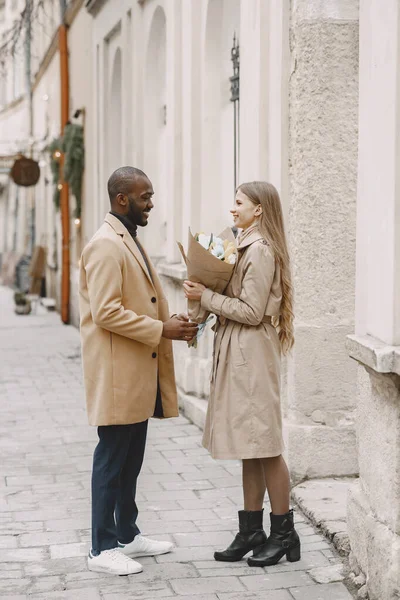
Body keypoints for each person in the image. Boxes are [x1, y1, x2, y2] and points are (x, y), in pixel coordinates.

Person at [79, 166, 198, 576]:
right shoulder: (105, 245)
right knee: (111, 460)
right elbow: (106, 311)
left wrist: (172, 322)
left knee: (131, 460)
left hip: (137, 373)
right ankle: (101, 546)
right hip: (117, 375)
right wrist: (162, 329)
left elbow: (141, 298)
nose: (152, 203)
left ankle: (127, 534)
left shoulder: (126, 238)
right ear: (122, 199)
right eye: (145, 196)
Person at [183, 181, 300, 567]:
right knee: (250, 445)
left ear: (259, 209)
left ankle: (284, 533)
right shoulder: (243, 246)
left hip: (252, 352)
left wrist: (207, 297)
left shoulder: (261, 251)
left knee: (266, 444)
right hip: (238, 351)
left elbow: (251, 311)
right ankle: (252, 531)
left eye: (239, 203)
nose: (232, 209)